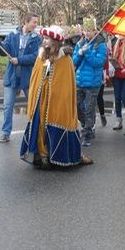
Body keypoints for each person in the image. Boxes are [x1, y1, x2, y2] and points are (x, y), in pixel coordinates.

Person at [20, 25, 92, 168]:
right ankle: (42, 155)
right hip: (41, 99)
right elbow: (35, 79)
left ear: (55, 41)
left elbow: (66, 85)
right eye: (44, 38)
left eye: (47, 38)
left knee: (55, 121)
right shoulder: (40, 57)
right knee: (40, 125)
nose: (44, 41)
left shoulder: (65, 60)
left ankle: (56, 155)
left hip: (57, 100)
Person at [0, 13, 41, 143]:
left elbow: (36, 56)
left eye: (37, 22)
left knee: (34, 105)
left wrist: (19, 60)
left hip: (28, 78)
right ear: (25, 22)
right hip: (12, 77)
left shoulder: (37, 39)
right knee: (8, 106)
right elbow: (3, 51)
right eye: (34, 22)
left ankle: (36, 132)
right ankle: (5, 132)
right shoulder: (12, 35)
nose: (36, 25)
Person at [72, 18, 108, 146]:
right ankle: (87, 125)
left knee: (89, 108)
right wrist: (80, 53)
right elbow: (73, 62)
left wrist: (87, 53)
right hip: (79, 81)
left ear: (95, 31)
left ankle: (86, 133)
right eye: (85, 30)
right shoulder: (80, 43)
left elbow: (98, 63)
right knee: (76, 106)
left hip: (93, 83)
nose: (87, 33)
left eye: (90, 30)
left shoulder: (101, 45)